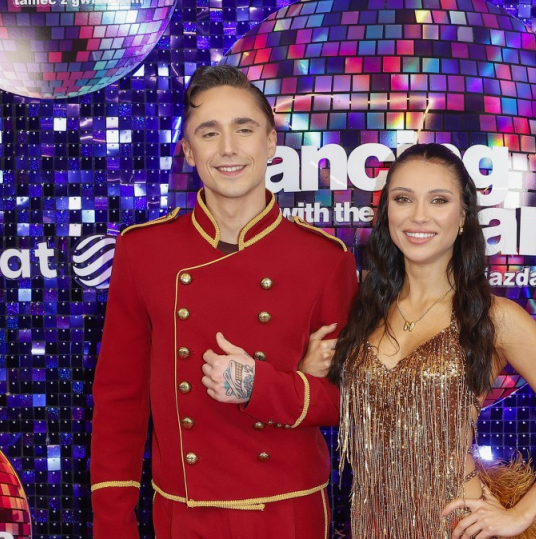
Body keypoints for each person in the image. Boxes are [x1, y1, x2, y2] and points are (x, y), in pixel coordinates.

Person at [89, 64, 358, 539]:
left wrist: (260, 386)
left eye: (244, 129)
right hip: (184, 513)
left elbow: (352, 401)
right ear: (189, 150)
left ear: (271, 143)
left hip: (288, 512)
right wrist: (114, 525)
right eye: (209, 132)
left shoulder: (323, 258)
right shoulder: (145, 250)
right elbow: (119, 402)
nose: (228, 148)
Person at [302, 143, 536, 539]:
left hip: (457, 527)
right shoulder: (361, 310)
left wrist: (520, 515)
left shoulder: (495, 317)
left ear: (462, 217)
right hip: (372, 527)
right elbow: (333, 409)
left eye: (438, 200)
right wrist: (308, 371)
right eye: (403, 199)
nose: (419, 215)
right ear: (387, 211)